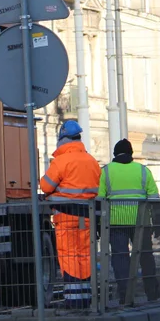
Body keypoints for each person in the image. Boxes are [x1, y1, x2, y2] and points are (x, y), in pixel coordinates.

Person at [38, 120, 99, 308]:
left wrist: (55, 194)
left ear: (62, 139)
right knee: (85, 254)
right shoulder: (91, 161)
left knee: (69, 254)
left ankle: (73, 300)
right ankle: (86, 298)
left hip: (65, 217)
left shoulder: (61, 161)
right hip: (87, 216)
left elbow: (45, 185)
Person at [99, 138, 160, 303]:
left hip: (116, 222)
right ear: (131, 153)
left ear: (115, 154)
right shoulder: (143, 171)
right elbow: (155, 198)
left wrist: (100, 226)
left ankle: (125, 295)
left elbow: (100, 200)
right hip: (141, 223)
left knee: (120, 259)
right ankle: (152, 293)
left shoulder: (106, 171)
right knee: (146, 257)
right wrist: (158, 223)